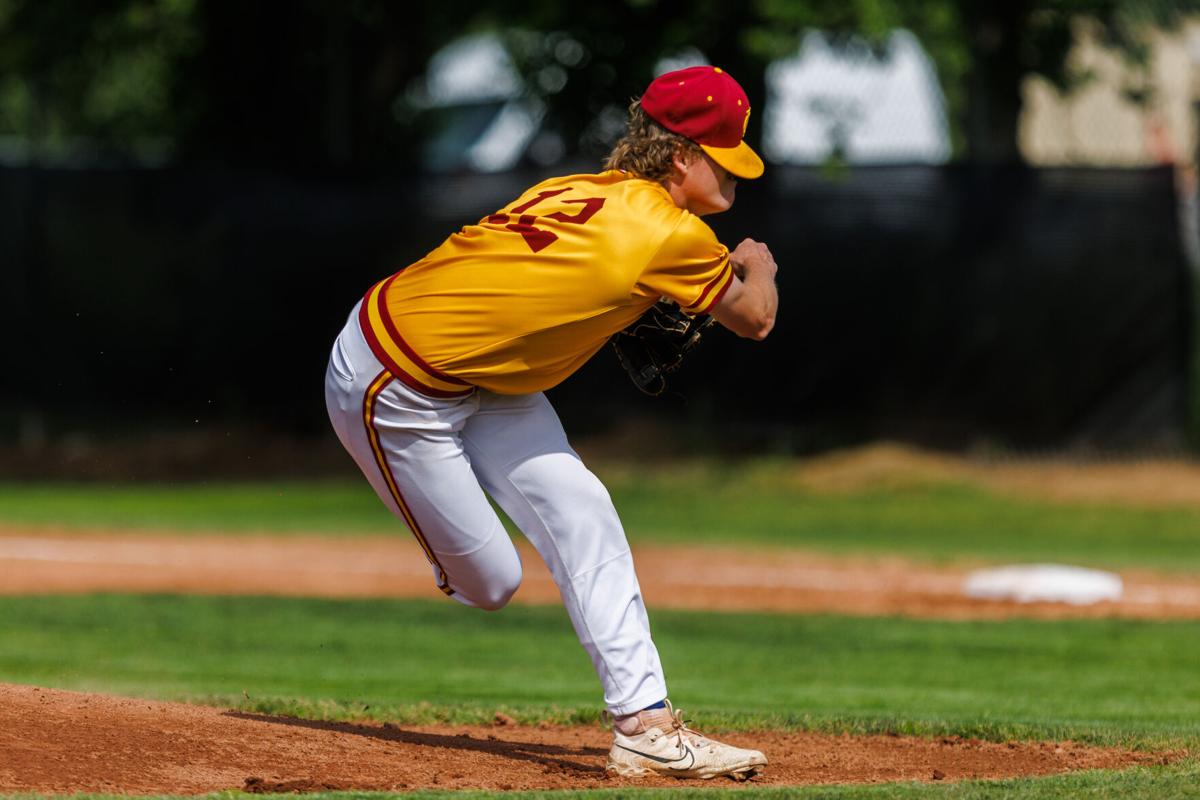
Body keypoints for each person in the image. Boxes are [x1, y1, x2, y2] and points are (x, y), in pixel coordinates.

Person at [324, 65, 778, 781]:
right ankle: (435, 522)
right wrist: (758, 265)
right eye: (725, 159)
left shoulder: (574, 187)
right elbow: (753, 319)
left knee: (583, 508)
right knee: (492, 583)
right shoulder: (674, 235)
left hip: (494, 382)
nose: (737, 178)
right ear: (683, 157)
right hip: (395, 378)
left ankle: (646, 728)